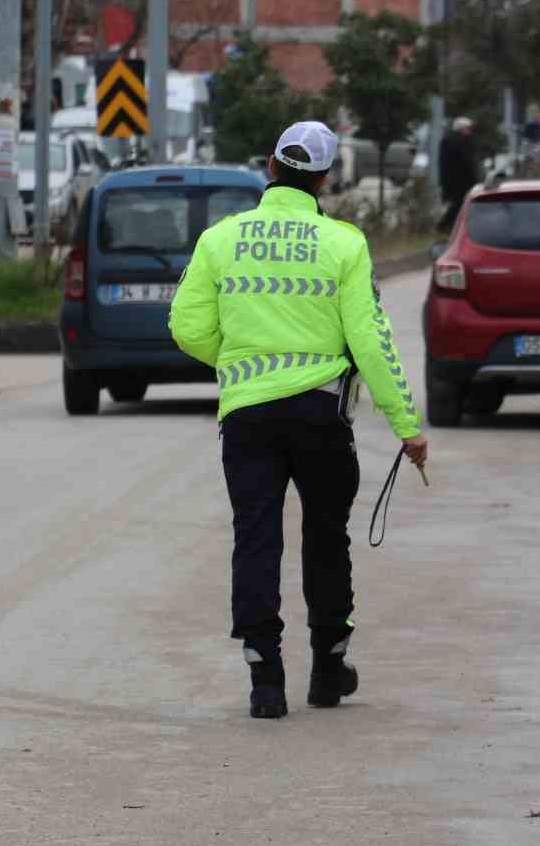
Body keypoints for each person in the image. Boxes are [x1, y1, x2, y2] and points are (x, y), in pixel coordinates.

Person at [169, 120, 429, 719]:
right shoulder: (344, 244)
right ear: (325, 178)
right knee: (325, 536)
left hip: (247, 416)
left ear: (269, 165)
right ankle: (330, 670)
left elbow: (186, 327)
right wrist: (406, 425)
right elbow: (371, 341)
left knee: (256, 537)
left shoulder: (220, 240)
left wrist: (240, 360)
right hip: (320, 413)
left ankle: (264, 677)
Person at [436, 116, 479, 232]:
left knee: (458, 204)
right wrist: (474, 178)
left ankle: (450, 227)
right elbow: (466, 162)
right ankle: (444, 226)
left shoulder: (448, 140)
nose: (470, 131)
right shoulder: (460, 142)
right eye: (468, 128)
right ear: (462, 129)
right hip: (461, 180)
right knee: (460, 204)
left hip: (450, 179)